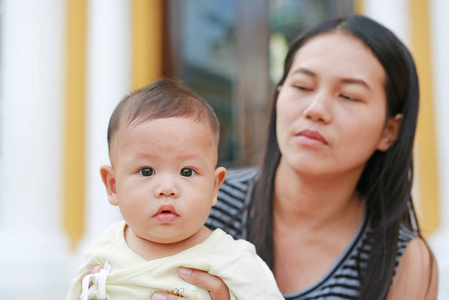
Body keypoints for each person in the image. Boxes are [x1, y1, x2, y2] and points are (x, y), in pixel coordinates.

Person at [151, 14, 438, 300]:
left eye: (348, 96)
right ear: (279, 96)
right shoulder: (202, 202)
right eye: (302, 86)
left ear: (389, 130)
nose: (315, 109)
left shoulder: (405, 263)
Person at [65, 79, 285, 300]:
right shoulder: (105, 247)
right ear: (113, 186)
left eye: (187, 172)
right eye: (147, 171)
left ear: (214, 187)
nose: (167, 189)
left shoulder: (233, 261)